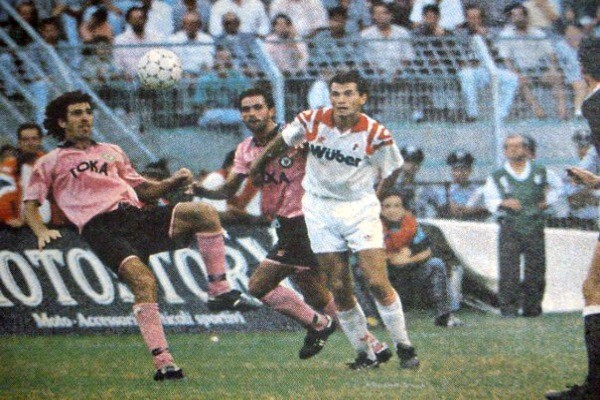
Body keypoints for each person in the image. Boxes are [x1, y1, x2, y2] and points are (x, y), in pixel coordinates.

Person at [23, 91, 257, 381]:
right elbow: (30, 206)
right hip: (101, 227)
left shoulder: (111, 151)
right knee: (144, 283)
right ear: (62, 122)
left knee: (204, 213)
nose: (85, 118)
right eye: (77, 113)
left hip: (136, 216)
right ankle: (165, 363)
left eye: (88, 112)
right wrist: (41, 230)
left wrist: (172, 181)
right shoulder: (51, 162)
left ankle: (220, 292)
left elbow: (143, 190)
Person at [192, 87, 392, 361]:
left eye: (258, 107)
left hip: (308, 220)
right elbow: (228, 191)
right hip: (286, 224)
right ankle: (374, 347)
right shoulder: (245, 149)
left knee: (258, 286)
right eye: (246, 109)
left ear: (271, 110)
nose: (252, 114)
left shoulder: (294, 135)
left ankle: (319, 325)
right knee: (317, 293)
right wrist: (199, 190)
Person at [249, 71, 420, 370]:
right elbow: (282, 140)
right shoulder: (312, 121)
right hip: (320, 209)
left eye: (349, 93)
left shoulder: (376, 134)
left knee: (377, 281)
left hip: (359, 209)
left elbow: (393, 170)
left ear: (362, 98)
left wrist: (375, 197)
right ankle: (365, 354)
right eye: (336, 94)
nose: (341, 100)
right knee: (339, 287)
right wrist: (259, 164)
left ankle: (404, 346)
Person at [545, 37, 600, 400]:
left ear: (581, 68)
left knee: (594, 289)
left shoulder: (594, 104)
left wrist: (594, 181)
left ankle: (595, 387)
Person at [483, 134, 554, 318]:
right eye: (509, 146)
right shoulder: (498, 175)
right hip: (510, 226)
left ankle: (533, 308)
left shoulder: (540, 171)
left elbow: (559, 188)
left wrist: (548, 201)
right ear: (505, 151)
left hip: (534, 225)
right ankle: (509, 309)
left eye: (517, 146)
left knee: (535, 268)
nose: (513, 149)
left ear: (525, 149)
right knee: (509, 270)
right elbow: (489, 199)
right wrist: (503, 202)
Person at [380, 192, 464, 327]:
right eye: (387, 206)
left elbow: (427, 251)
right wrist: (391, 257)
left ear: (404, 209)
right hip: (385, 276)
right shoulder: (373, 227)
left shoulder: (411, 225)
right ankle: (373, 317)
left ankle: (445, 315)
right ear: (380, 209)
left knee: (436, 264)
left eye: (397, 206)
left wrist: (407, 260)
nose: (392, 210)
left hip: (410, 274)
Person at [496, 4, 567, 120]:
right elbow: (506, 59)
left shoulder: (537, 32)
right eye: (515, 16)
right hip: (520, 69)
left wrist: (553, 69)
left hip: (539, 68)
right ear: (511, 18)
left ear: (526, 16)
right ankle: (539, 112)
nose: (518, 18)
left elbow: (550, 53)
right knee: (519, 81)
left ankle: (562, 113)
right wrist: (515, 73)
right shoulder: (506, 35)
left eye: (521, 15)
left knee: (556, 77)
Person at [360, 1, 415, 75]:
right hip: (374, 75)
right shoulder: (365, 35)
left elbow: (408, 55)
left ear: (391, 15)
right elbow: (365, 58)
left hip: (401, 75)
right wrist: (379, 74)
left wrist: (397, 73)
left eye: (384, 13)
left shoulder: (402, 32)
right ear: (373, 16)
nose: (381, 16)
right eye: (377, 13)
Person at [564, 129, 599, 229]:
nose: (584, 151)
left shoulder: (592, 160)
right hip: (581, 221)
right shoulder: (574, 171)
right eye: (581, 147)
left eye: (587, 147)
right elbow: (572, 198)